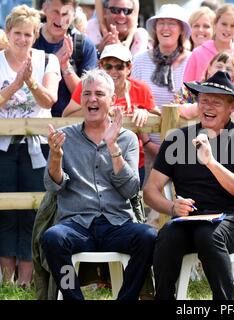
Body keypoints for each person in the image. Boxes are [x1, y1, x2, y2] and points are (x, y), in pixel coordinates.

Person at [143, 71, 234, 300]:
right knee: (167, 235)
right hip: (189, 220)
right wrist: (171, 208)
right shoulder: (178, 138)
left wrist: (211, 163)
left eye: (216, 102)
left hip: (233, 220)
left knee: (208, 235)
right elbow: (150, 191)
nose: (208, 106)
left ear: (232, 106)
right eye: (204, 100)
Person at [41, 68, 157, 300]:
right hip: (76, 224)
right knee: (52, 238)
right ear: (80, 99)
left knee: (148, 236)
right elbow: (53, 186)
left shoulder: (127, 138)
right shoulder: (65, 136)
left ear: (112, 100)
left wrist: (113, 147)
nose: (92, 99)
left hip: (116, 223)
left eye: (99, 94)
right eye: (86, 94)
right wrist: (55, 157)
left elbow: (131, 190)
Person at [0, 4, 60, 287]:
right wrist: (14, 85)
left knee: (33, 211)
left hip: (37, 145)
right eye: (17, 33)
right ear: (8, 33)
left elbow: (49, 101)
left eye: (27, 34)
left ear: (35, 35)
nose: (22, 39)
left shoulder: (47, 61)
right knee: (5, 209)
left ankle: (27, 280)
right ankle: (7, 280)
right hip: (2, 147)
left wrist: (31, 81)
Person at [132, 3, 191, 227]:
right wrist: (147, 142)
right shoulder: (140, 60)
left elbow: (195, 101)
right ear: (155, 29)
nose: (166, 28)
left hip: (186, 149)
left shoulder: (191, 60)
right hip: (149, 147)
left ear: (181, 30)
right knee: (150, 208)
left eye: (172, 23)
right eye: (161, 23)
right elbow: (134, 98)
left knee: (182, 206)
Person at [62, 43, 154, 186]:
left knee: (131, 202)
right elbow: (66, 117)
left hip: (130, 157)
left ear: (129, 68)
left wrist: (145, 112)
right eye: (108, 66)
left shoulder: (141, 89)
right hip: (91, 156)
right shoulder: (86, 86)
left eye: (119, 66)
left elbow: (158, 115)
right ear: (100, 66)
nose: (113, 71)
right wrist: (98, 107)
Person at [34, 0, 97, 117]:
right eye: (55, 12)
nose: (60, 19)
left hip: (70, 124)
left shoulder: (84, 45)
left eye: (65, 14)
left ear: (74, 15)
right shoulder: (28, 39)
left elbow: (88, 96)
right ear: (45, 9)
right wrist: (53, 64)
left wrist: (65, 66)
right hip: (31, 122)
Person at [183, 3, 234, 86]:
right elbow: (186, 87)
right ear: (215, 23)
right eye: (224, 24)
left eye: (232, 26)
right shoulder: (198, 53)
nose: (228, 29)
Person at [173, 50, 234, 120]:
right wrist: (199, 108)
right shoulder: (190, 89)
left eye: (228, 69)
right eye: (219, 67)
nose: (223, 71)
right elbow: (173, 109)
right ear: (209, 68)